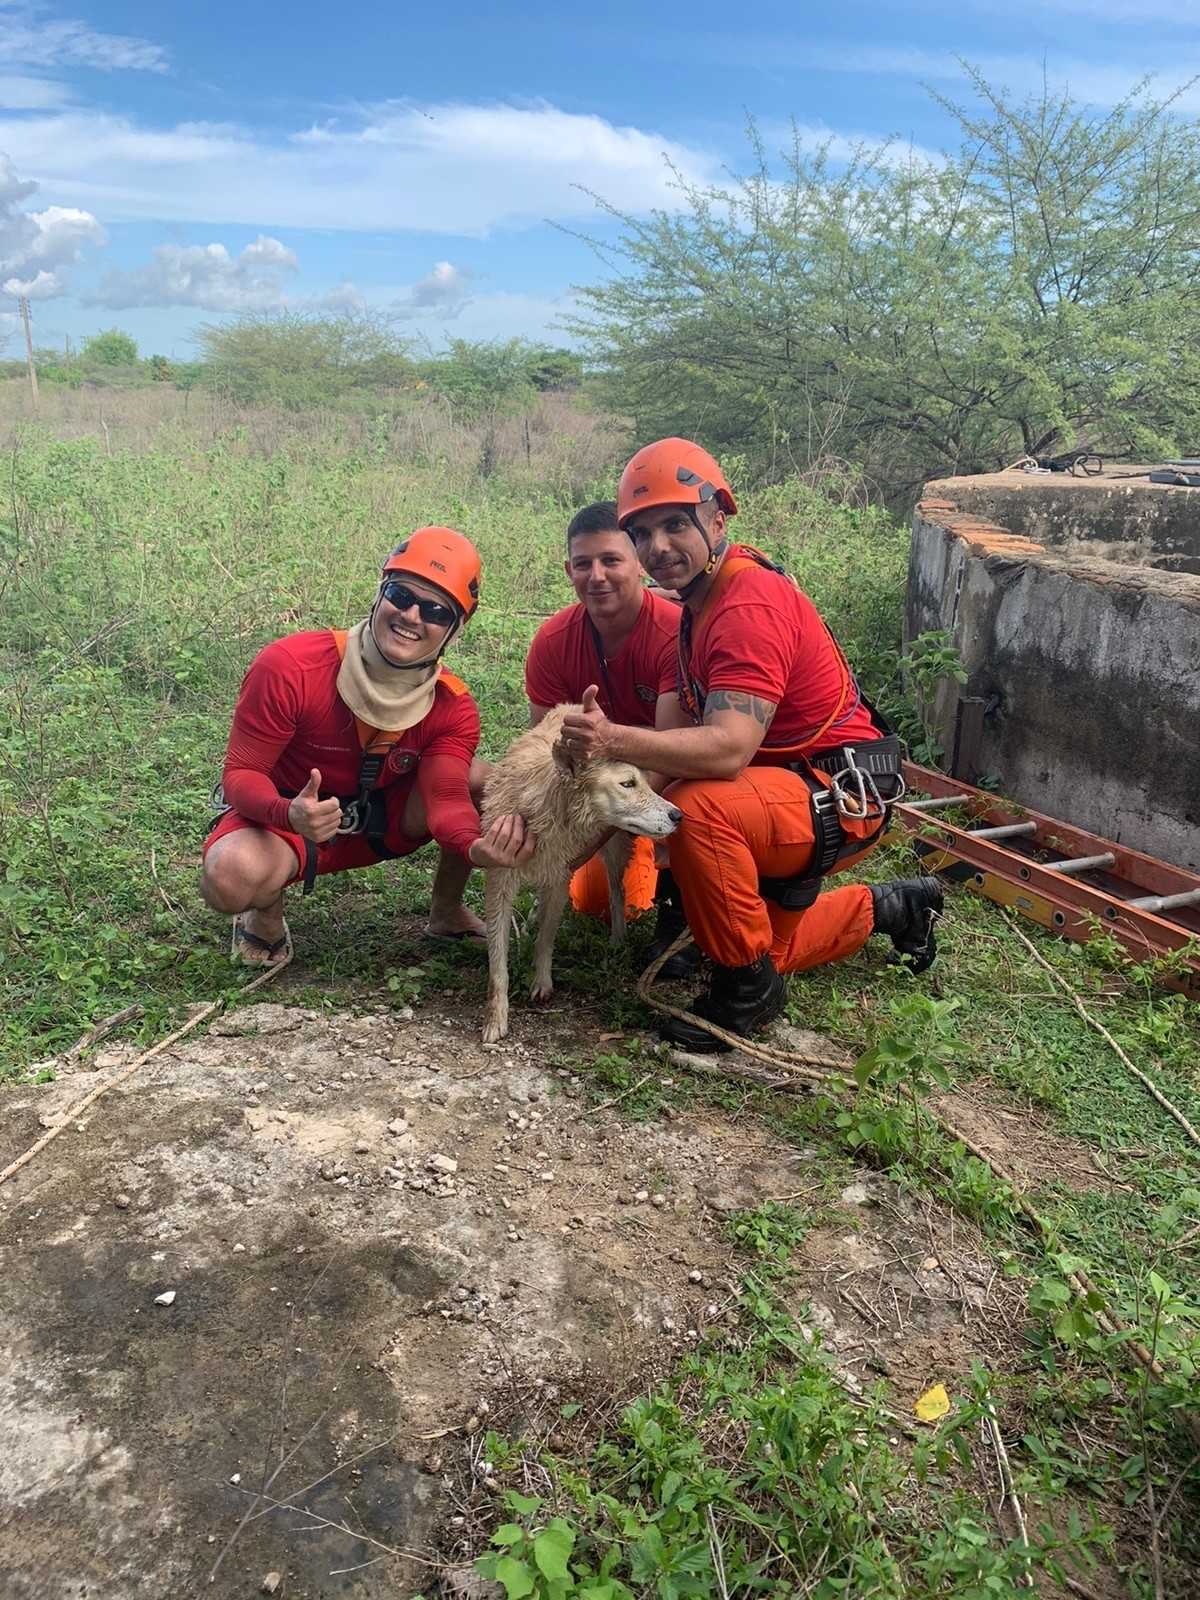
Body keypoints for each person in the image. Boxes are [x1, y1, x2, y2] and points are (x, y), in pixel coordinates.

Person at [561, 438, 943, 1051]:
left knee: (697, 809)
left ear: (717, 520)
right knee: (771, 950)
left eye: (675, 524)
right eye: (643, 532)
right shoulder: (697, 606)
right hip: (789, 791)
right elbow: (670, 751)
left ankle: (745, 995)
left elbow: (727, 749)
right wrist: (570, 843)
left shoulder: (748, 603)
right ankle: (893, 907)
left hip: (836, 793)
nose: (658, 547)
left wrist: (609, 737)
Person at [201, 526, 534, 963]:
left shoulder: (452, 706)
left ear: (454, 629)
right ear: (380, 593)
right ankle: (265, 915)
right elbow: (242, 773)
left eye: (435, 610)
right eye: (401, 595)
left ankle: (447, 911)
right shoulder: (290, 667)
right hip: (287, 823)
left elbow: (447, 797)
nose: (411, 616)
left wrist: (475, 847)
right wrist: (289, 812)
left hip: (380, 822)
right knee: (229, 877)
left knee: (485, 782)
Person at [525, 500, 698, 977]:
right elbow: (548, 752)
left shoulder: (674, 634)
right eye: (583, 564)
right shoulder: (552, 642)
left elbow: (670, 753)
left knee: (693, 801)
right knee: (596, 903)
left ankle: (681, 903)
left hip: (658, 785)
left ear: (639, 563)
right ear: (569, 570)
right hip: (600, 793)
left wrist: (595, 832)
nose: (597, 576)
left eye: (611, 560)